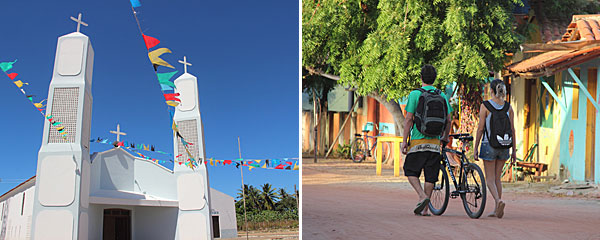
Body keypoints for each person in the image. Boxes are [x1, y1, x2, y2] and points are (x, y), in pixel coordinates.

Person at [401, 64, 452, 216]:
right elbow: (449, 120)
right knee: (431, 175)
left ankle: (422, 196)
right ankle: (425, 209)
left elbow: (409, 119)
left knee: (410, 171)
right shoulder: (441, 95)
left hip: (418, 142)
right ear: (434, 78)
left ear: (421, 77)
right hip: (435, 144)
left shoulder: (415, 94)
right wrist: (445, 137)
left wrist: (404, 140)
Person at [473, 79, 517, 219]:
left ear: (491, 91)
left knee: (489, 179)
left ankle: (498, 201)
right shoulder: (508, 107)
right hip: (504, 145)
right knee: (497, 178)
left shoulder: (485, 106)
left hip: (489, 145)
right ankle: (496, 208)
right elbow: (512, 130)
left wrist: (475, 147)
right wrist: (514, 151)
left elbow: (480, 129)